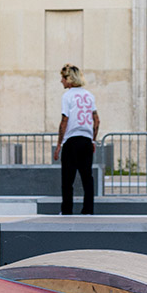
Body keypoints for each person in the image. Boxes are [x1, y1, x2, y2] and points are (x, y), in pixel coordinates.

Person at [53, 64, 99, 215]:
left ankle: (66, 210)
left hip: (71, 140)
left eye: (63, 78)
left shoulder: (67, 96)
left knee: (68, 178)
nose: (61, 81)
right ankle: (88, 209)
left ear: (69, 79)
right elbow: (96, 120)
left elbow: (64, 120)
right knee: (87, 177)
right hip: (86, 140)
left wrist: (59, 143)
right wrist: (93, 139)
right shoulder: (89, 95)